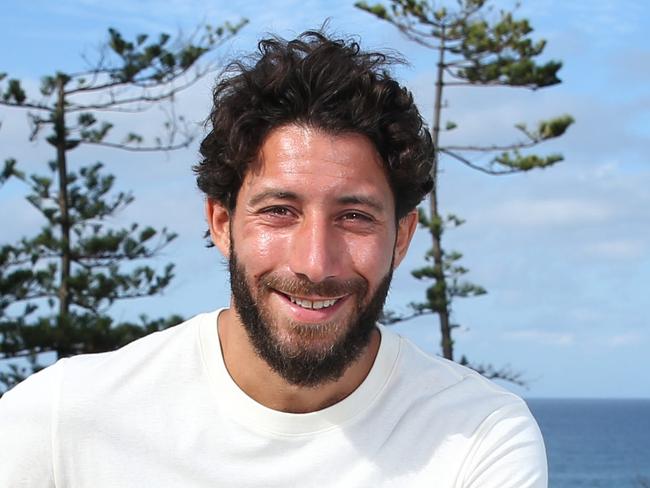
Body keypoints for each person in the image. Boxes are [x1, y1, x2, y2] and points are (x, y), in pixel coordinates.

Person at [0, 31, 547, 487]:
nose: (316, 262)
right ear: (222, 223)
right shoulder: (58, 421)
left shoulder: (478, 437)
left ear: (402, 237)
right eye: (280, 211)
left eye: (354, 216)